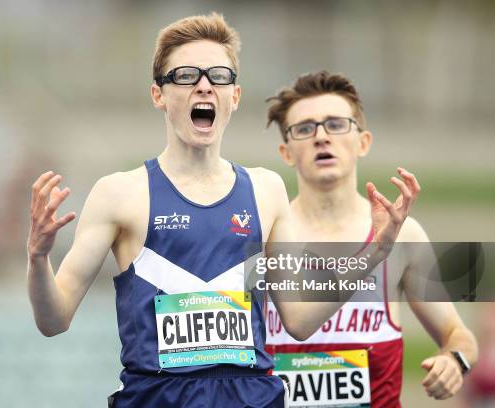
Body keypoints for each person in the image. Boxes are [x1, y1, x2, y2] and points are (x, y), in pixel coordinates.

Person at [27, 14, 415, 407]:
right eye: (185, 75)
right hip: (158, 397)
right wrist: (39, 258)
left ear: (235, 96)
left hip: (251, 397)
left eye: (218, 75)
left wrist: (375, 253)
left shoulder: (266, 190)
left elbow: (299, 319)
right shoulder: (120, 194)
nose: (204, 85)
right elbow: (53, 320)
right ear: (158, 94)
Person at [264, 70, 478, 407]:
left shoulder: (403, 235)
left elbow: (458, 334)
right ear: (286, 151)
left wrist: (455, 361)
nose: (321, 137)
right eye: (304, 129)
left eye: (336, 124)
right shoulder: (264, 235)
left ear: (363, 142)